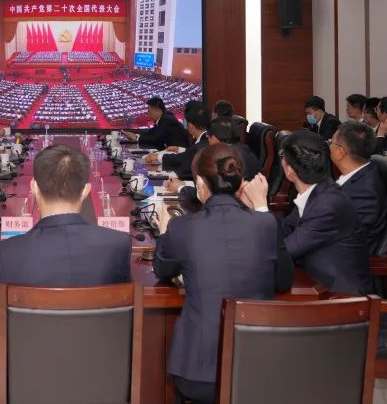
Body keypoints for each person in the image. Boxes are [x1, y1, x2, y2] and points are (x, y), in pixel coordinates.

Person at [154, 143, 293, 404]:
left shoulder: (182, 227)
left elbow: (163, 270)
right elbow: (284, 281)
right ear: (240, 181)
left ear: (199, 183)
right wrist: (262, 209)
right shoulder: (265, 223)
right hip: (255, 367)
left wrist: (164, 234)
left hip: (197, 372)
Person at [0, 145, 131, 332]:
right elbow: (123, 320)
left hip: (31, 351)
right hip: (102, 350)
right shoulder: (118, 245)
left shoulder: (7, 253)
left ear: (33, 187)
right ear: (86, 191)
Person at [276, 131, 371, 295]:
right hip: (314, 284)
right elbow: (285, 229)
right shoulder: (317, 190)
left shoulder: (327, 205)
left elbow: (284, 251)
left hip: (340, 298)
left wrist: (260, 207)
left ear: (290, 171)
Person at [329, 122, 387, 253]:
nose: (329, 147)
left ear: (340, 152)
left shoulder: (365, 192)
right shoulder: (357, 175)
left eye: (331, 143)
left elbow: (343, 238)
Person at [146, 102, 209, 180]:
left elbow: (186, 163)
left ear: (190, 126)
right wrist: (179, 149)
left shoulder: (201, 145)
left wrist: (158, 157)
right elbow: (190, 154)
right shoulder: (204, 138)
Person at [123, 97, 190, 149]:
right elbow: (152, 131)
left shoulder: (167, 120)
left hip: (179, 154)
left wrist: (137, 138)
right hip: (170, 149)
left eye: (149, 112)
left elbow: (156, 138)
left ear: (157, 111)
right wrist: (133, 132)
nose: (148, 114)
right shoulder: (164, 116)